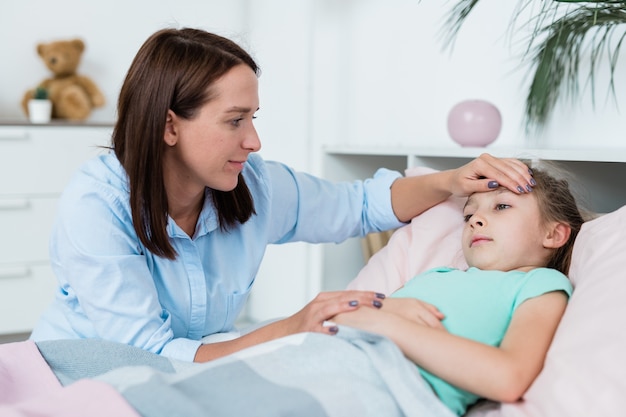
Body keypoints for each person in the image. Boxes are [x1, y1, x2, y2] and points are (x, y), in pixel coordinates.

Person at [30, 27, 536, 363]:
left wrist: (450, 181)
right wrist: (294, 325)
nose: (253, 140)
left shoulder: (251, 183)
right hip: (80, 373)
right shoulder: (97, 205)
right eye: (234, 121)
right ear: (169, 127)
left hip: (189, 369)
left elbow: (358, 205)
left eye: (253, 118)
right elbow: (148, 353)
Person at [332, 165, 585, 415]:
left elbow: (509, 378)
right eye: (468, 216)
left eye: (502, 206)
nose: (475, 220)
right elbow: (343, 315)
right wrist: (375, 313)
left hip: (385, 387)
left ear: (553, 234)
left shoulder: (540, 283)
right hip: (332, 354)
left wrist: (384, 325)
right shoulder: (436, 275)